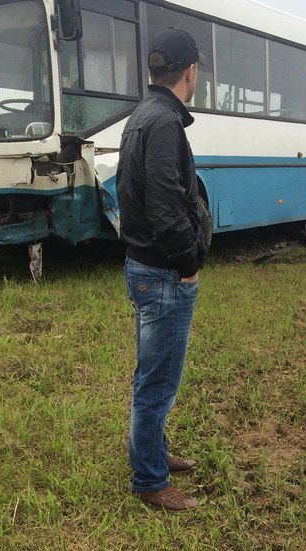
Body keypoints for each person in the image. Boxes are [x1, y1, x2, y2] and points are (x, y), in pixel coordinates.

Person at [116, 28, 208, 512]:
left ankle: (154, 453)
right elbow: (166, 203)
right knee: (158, 380)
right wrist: (188, 263)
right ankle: (150, 480)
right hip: (164, 272)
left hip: (143, 264)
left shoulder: (142, 115)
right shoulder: (166, 121)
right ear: (190, 71)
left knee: (151, 374)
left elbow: (127, 189)